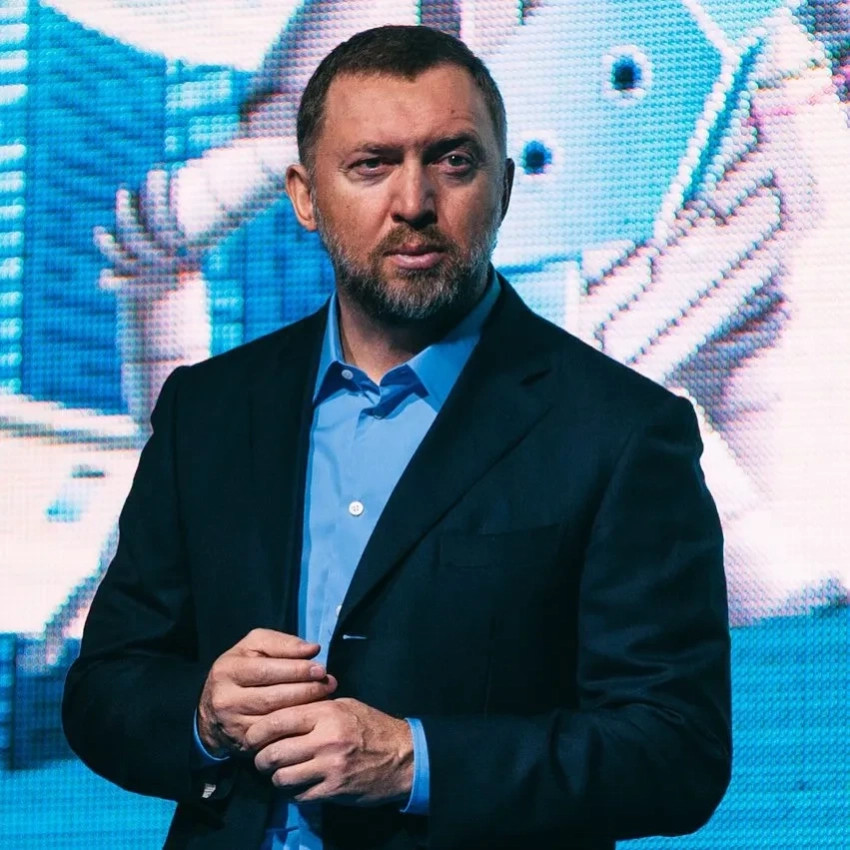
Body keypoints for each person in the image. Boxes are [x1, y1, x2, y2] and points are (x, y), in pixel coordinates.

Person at [62, 25, 732, 850]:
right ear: (306, 196)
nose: (413, 203)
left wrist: (415, 762)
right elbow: (105, 691)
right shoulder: (207, 410)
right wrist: (202, 715)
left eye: (453, 161)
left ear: (504, 188)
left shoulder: (621, 430)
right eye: (371, 165)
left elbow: (676, 752)